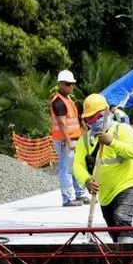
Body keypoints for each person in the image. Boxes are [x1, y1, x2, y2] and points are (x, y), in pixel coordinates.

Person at [74, 93, 133, 244]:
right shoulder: (85, 140)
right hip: (105, 196)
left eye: (95, 117)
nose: (91, 122)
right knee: (114, 231)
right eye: (87, 119)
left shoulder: (122, 129)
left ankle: (128, 258)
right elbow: (77, 165)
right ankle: (119, 259)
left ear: (106, 113)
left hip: (126, 186)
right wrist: (86, 180)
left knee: (122, 220)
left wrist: (112, 142)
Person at [51, 70, 89, 207]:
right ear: (60, 84)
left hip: (73, 139)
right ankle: (68, 198)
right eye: (68, 84)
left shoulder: (68, 100)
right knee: (66, 168)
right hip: (64, 141)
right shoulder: (58, 102)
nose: (70, 87)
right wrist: (68, 142)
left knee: (75, 167)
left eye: (72, 84)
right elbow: (61, 124)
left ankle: (80, 193)